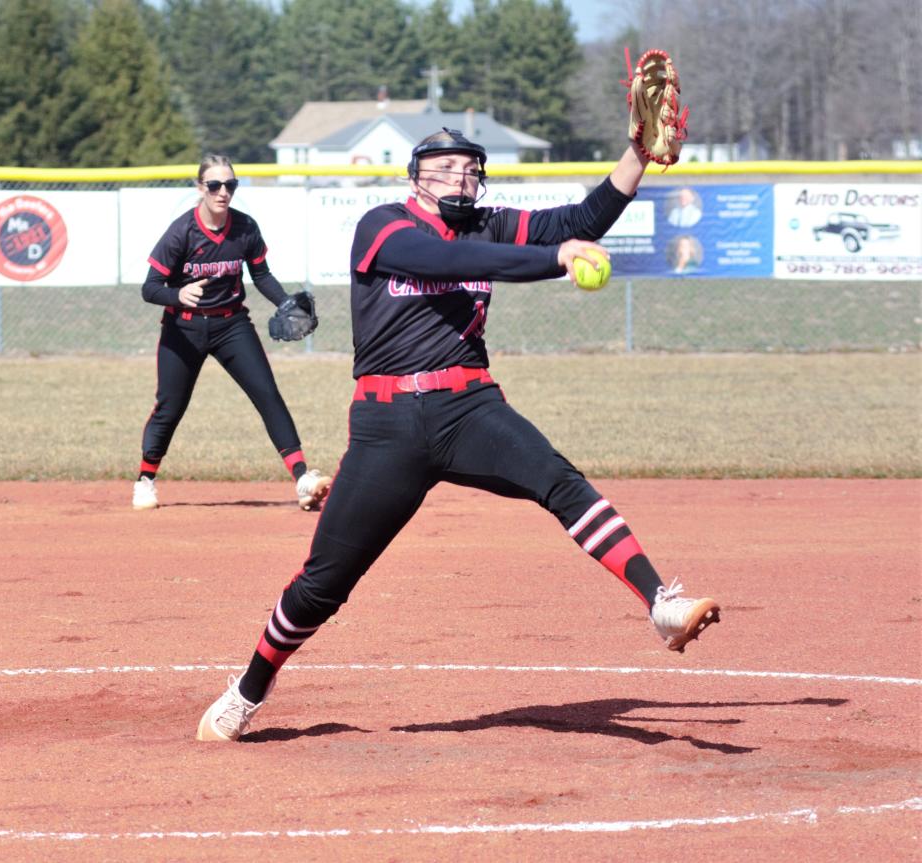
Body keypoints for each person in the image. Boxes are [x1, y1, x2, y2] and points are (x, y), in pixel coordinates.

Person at [196, 130, 721, 742]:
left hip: (470, 407)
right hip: (387, 424)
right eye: (443, 168)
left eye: (469, 169)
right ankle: (250, 688)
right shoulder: (382, 226)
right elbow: (448, 262)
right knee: (324, 584)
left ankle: (661, 604)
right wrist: (555, 260)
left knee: (560, 481)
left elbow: (581, 219)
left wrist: (638, 156)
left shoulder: (486, 225)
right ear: (415, 175)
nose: (459, 179)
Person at [132, 154, 330, 512]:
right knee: (171, 406)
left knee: (267, 394)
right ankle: (146, 479)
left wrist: (287, 304)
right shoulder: (182, 232)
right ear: (200, 188)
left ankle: (302, 477)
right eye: (214, 185)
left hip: (231, 324)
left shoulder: (245, 227)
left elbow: (261, 275)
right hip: (183, 327)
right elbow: (150, 287)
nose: (223, 192)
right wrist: (176, 294)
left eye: (230, 185)